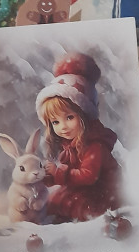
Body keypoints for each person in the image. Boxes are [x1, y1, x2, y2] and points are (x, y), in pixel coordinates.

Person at [36, 52, 121, 222]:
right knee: (53, 200)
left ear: (84, 116)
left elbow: (88, 176)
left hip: (102, 193)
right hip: (84, 189)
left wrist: (59, 173)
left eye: (69, 118)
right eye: (55, 122)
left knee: (75, 205)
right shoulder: (71, 145)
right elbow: (69, 175)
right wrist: (48, 176)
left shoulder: (95, 145)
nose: (63, 126)